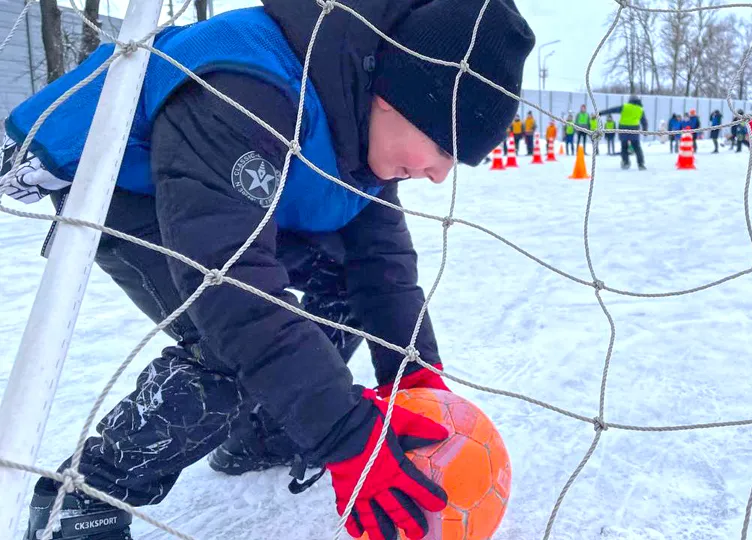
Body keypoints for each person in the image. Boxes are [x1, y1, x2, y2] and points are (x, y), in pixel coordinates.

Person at [1, 1, 534, 540]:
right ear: (395, 96)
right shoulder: (246, 86)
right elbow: (235, 292)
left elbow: (381, 267)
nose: (441, 176)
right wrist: (344, 434)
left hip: (231, 193)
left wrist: (413, 372)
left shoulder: (360, 112)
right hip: (130, 187)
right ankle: (89, 494)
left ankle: (264, 435)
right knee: (230, 340)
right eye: (443, 147)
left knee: (346, 290)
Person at [598, 96, 647, 171]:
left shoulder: (625, 106)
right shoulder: (640, 109)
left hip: (623, 129)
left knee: (624, 147)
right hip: (634, 129)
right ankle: (641, 164)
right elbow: (644, 121)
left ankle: (626, 162)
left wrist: (601, 113)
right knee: (637, 147)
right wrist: (645, 130)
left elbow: (612, 110)